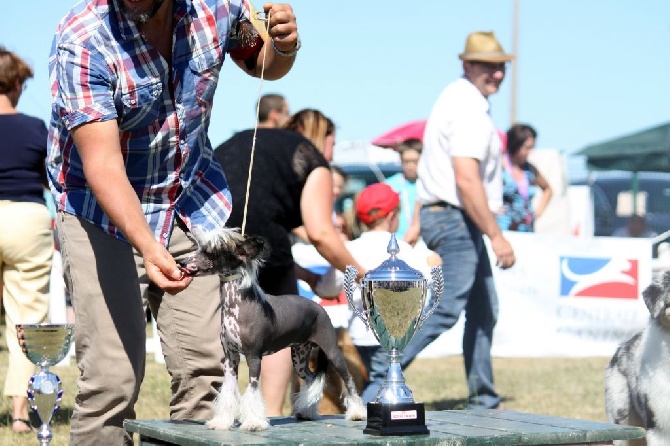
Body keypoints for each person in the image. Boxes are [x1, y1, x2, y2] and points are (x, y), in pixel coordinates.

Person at [46, 1, 300, 444]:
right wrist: (147, 244)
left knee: (209, 373)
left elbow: (262, 63)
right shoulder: (81, 40)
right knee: (112, 381)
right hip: (98, 214)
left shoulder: (220, 9)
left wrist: (284, 47)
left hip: (191, 203)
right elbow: (103, 166)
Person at [214, 114, 365, 417]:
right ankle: (266, 414)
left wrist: (306, 275)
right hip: (259, 239)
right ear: (324, 136)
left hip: (214, 235)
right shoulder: (312, 157)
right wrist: (363, 274)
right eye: (332, 143)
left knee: (226, 330)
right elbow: (321, 233)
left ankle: (222, 413)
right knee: (273, 327)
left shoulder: (249, 139)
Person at [399, 31, 517, 410]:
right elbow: (466, 179)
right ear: (467, 65)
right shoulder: (469, 107)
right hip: (457, 218)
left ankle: (484, 397)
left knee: (484, 308)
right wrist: (497, 236)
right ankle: (378, 378)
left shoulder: (458, 97)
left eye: (501, 66)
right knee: (446, 308)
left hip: (451, 217)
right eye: (488, 66)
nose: (497, 74)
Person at [0, 47, 53, 434]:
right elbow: (55, 180)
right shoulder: (36, 128)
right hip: (27, 219)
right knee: (26, 317)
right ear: (17, 83)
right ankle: (20, 415)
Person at [496, 123, 553, 232]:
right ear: (515, 145)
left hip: (527, 229)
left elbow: (548, 189)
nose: (529, 152)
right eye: (526, 148)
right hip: (504, 228)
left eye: (532, 148)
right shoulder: (500, 167)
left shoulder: (530, 170)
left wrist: (538, 211)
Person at [384, 138, 422, 242]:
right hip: (398, 242)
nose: (410, 166)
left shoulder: (428, 185)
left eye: (415, 162)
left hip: (423, 242)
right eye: (406, 162)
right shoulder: (389, 185)